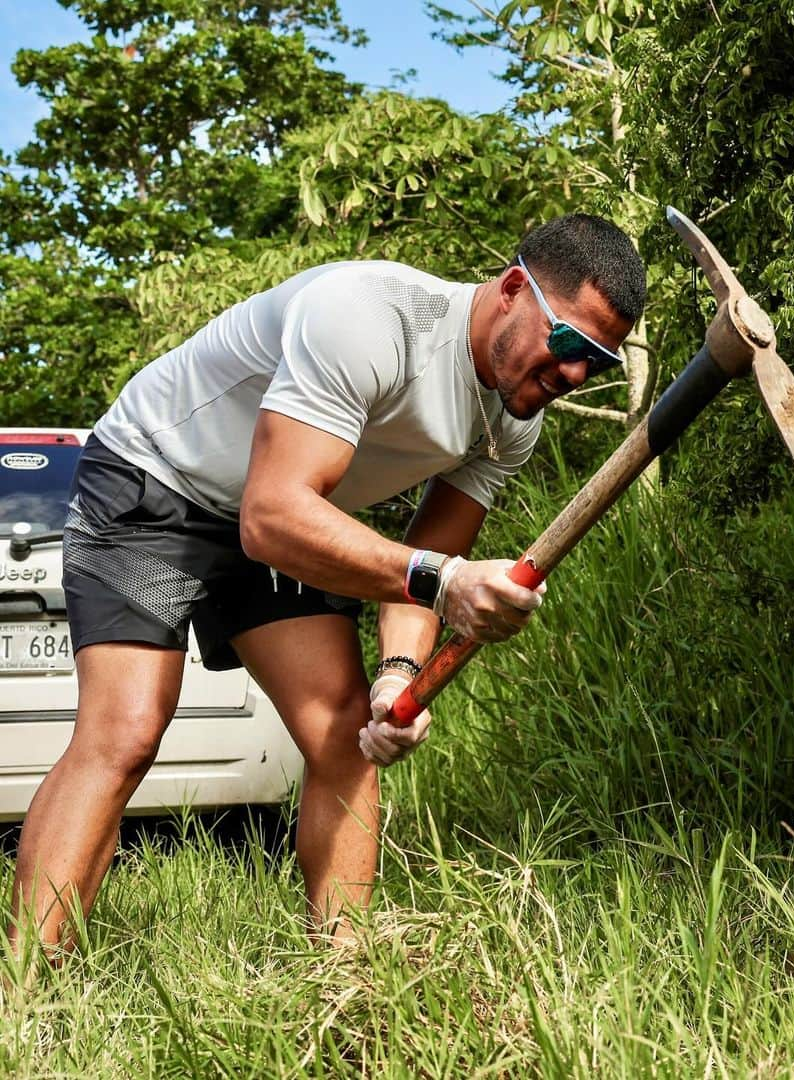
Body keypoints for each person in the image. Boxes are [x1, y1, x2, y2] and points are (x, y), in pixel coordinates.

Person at [8, 213, 646, 953]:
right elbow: (276, 518)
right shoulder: (370, 317)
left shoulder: (511, 422)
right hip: (158, 482)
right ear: (512, 289)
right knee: (126, 730)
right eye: (567, 343)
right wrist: (446, 579)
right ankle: (23, 991)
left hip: (292, 512)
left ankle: (345, 983)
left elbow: (425, 571)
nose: (572, 376)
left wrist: (397, 680)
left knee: (348, 734)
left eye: (595, 363)